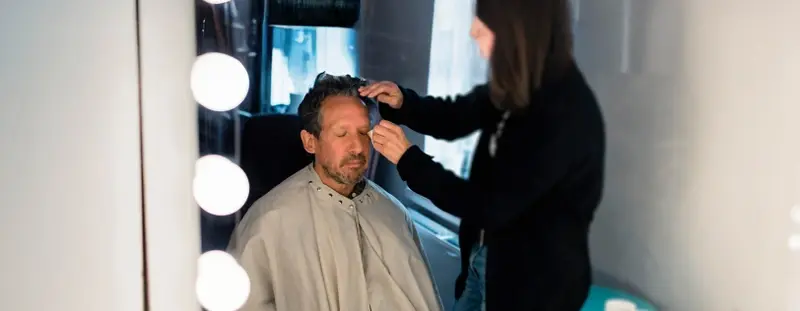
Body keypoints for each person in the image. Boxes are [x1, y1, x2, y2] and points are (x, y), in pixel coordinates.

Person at [358, 0, 605, 310]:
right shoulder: (516, 87)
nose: (473, 30)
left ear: (518, 30)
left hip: (531, 283)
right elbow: (456, 116)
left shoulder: (564, 113)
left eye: (484, 22)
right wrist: (403, 103)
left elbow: (490, 205)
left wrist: (408, 159)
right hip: (484, 257)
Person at [228, 73, 443, 311]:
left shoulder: (395, 214)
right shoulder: (268, 221)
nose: (357, 147)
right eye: (342, 134)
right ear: (310, 142)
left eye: (364, 133)